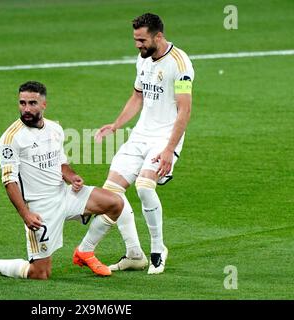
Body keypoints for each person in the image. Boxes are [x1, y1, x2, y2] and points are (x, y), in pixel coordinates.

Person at [0, 81, 123, 279]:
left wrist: (72, 177)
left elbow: (60, 163)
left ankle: (85, 251)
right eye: (22, 103)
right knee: (39, 273)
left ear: (44, 105)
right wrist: (26, 214)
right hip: (40, 208)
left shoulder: (54, 128)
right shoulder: (10, 139)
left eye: (32, 103)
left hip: (65, 196)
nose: (26, 108)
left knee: (115, 203)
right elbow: (9, 181)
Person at [95, 13, 194, 274]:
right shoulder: (143, 60)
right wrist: (116, 125)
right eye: (135, 40)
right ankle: (133, 254)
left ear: (158, 36)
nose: (137, 45)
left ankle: (158, 249)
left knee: (144, 187)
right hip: (139, 136)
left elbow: (184, 111)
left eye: (141, 40)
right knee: (111, 194)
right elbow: (137, 97)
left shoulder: (179, 63)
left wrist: (169, 150)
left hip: (164, 138)